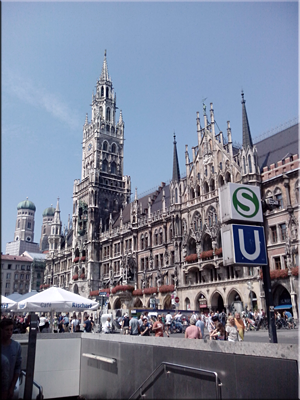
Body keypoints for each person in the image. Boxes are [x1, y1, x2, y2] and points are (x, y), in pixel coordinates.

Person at [1, 318, 22, 399]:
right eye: (7, 330)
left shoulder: (16, 346)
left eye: (11, 330)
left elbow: (17, 368)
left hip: (9, 387)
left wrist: (12, 387)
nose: (9, 332)